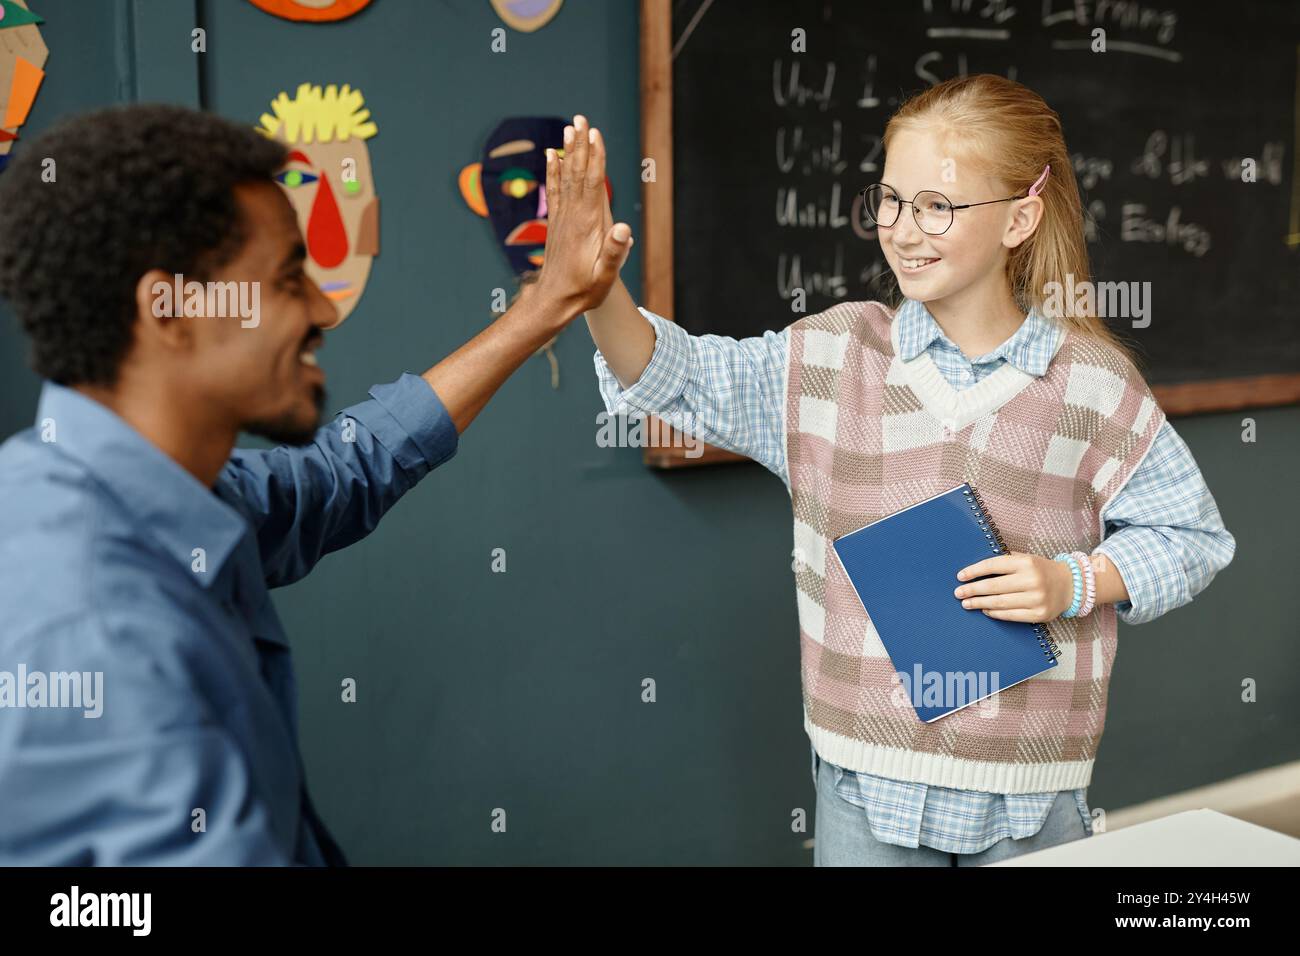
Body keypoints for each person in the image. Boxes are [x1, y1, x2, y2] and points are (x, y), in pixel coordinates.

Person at [582, 78, 1236, 866]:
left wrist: (1076, 583)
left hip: (1032, 791)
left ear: (1020, 219)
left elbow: (1193, 536)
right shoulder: (831, 356)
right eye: (889, 200)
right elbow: (678, 376)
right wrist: (596, 293)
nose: (902, 230)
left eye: (938, 206)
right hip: (864, 782)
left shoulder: (1093, 385)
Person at [0, 105, 627, 864]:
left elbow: (338, 476)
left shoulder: (132, 488)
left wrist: (544, 305)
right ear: (169, 310)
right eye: (289, 279)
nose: (325, 309)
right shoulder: (95, 629)